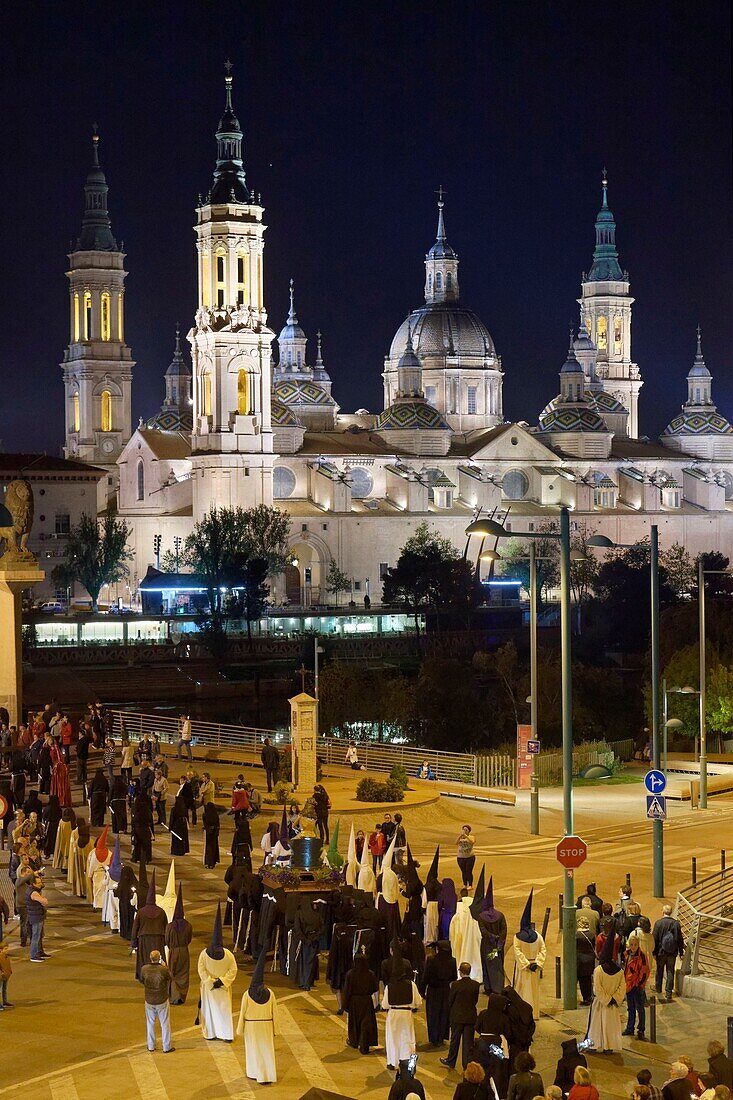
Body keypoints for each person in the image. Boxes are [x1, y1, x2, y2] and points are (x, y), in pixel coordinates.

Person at [236, 947, 279, 1084]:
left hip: (252, 1026)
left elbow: (242, 1012)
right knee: (266, 1050)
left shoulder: (247, 994)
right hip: (266, 1026)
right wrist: (276, 1029)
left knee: (253, 1050)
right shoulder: (270, 993)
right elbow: (275, 1013)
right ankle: (267, 1075)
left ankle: (255, 1073)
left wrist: (239, 1030)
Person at [197, 903, 238, 1041]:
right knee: (223, 1012)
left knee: (209, 1012)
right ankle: (226, 1034)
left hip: (209, 989)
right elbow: (233, 970)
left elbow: (201, 970)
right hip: (222, 988)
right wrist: (222, 981)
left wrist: (209, 982)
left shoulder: (204, 954)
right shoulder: (228, 954)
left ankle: (210, 1033)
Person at [382, 940, 422, 1069]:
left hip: (393, 1014)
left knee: (392, 1039)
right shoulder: (412, 985)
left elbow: (385, 1005)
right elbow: (418, 1002)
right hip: (406, 1013)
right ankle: (408, 1063)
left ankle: (392, 1062)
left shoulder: (390, 986)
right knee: (408, 1038)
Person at [587, 930, 626, 1053]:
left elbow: (597, 989)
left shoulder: (598, 970)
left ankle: (593, 1046)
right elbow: (622, 988)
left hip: (600, 1003)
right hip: (612, 1005)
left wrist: (606, 999)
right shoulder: (619, 971)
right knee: (610, 1026)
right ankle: (609, 1047)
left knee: (596, 1026)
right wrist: (614, 998)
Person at [441, 961, 480, 1071]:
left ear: (461, 972)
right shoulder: (475, 985)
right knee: (468, 1044)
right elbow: (475, 1000)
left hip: (457, 1017)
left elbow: (450, 1000)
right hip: (470, 1017)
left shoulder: (456, 985)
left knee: (455, 1040)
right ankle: (466, 1065)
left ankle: (451, 1061)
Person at [513, 889, 546, 1020]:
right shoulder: (538, 936)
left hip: (524, 969)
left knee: (522, 991)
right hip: (534, 968)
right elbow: (543, 949)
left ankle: (522, 1013)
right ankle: (534, 1013)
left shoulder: (518, 937)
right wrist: (537, 963)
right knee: (534, 991)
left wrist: (526, 964)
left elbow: (517, 952)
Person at [131, 872, 168, 983]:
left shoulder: (141, 912)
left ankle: (144, 976)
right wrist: (165, 941)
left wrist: (134, 942)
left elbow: (135, 928)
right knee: (158, 959)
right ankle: (159, 976)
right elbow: (166, 927)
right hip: (158, 938)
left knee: (144, 959)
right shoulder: (161, 912)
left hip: (144, 939)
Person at [420, 939, 456, 1047]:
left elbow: (425, 977)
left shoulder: (431, 960)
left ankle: (434, 1038)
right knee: (444, 1014)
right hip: (445, 991)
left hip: (433, 991)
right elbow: (454, 977)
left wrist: (421, 991)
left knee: (433, 1014)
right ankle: (441, 1037)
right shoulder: (452, 961)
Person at [343, 949, 379, 1053]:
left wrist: (345, 1005)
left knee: (355, 1023)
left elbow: (347, 991)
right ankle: (365, 1042)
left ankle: (354, 1041)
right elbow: (374, 988)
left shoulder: (350, 974)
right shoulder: (370, 974)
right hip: (367, 1001)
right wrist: (376, 1003)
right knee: (366, 1023)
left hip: (354, 1002)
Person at [476, 876, 507, 994]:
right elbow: (504, 930)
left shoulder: (481, 917)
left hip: (487, 945)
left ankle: (489, 987)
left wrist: (491, 937)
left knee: (488, 964)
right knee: (497, 964)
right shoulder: (500, 915)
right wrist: (499, 942)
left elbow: (483, 931)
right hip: (498, 946)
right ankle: (498, 987)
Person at [141, 949, 174, 1053]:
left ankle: (151, 1045)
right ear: (159, 958)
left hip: (149, 999)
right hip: (161, 999)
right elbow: (171, 977)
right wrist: (164, 966)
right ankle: (166, 1046)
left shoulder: (144, 969)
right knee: (164, 1023)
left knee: (150, 1023)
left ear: (150, 958)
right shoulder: (163, 970)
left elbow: (142, 980)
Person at [165, 885, 192, 1005]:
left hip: (174, 951)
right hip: (184, 950)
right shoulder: (188, 925)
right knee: (184, 974)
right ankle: (182, 996)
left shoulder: (170, 926)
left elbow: (166, 939)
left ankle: (174, 996)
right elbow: (189, 939)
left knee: (173, 973)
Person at [653, 904, 684, 1001]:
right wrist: (680, 952)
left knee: (659, 970)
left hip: (661, 952)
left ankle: (658, 989)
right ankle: (668, 992)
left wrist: (654, 952)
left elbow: (654, 939)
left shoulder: (658, 923)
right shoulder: (676, 924)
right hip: (672, 952)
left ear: (663, 912)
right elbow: (679, 939)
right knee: (670, 971)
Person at [622, 933, 650, 1039]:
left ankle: (641, 1030)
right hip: (629, 985)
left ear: (638, 945)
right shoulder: (627, 954)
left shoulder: (641, 956)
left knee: (640, 1008)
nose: (633, 946)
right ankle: (630, 1028)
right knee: (630, 1008)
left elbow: (644, 972)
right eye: (631, 944)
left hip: (636, 986)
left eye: (635, 944)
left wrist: (638, 984)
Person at [27, 872, 49, 962]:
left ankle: (40, 952)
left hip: (38, 915)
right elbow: (44, 902)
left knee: (39, 936)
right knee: (36, 936)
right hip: (36, 916)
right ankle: (34, 955)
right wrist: (44, 899)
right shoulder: (33, 892)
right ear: (33, 884)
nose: (41, 884)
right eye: (38, 883)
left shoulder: (33, 890)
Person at [576, 914, 596, 1006]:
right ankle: (589, 997)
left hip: (580, 961)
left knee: (582, 981)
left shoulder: (577, 935)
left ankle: (586, 998)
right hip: (590, 960)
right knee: (588, 979)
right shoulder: (592, 935)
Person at [202, 802, 220, 868]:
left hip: (208, 833)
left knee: (208, 848)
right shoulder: (216, 814)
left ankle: (209, 862)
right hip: (214, 833)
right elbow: (218, 824)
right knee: (214, 847)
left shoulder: (205, 814)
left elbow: (205, 824)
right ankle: (213, 862)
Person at [0, 939, 12, 1010]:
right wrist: (2, 973)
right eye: (5, 949)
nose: (7, 950)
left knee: (4, 989)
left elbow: (7, 965)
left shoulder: (6, 956)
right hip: (1, 976)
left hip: (6, 976)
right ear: (1, 950)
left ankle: (5, 1001)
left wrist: (10, 971)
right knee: (0, 990)